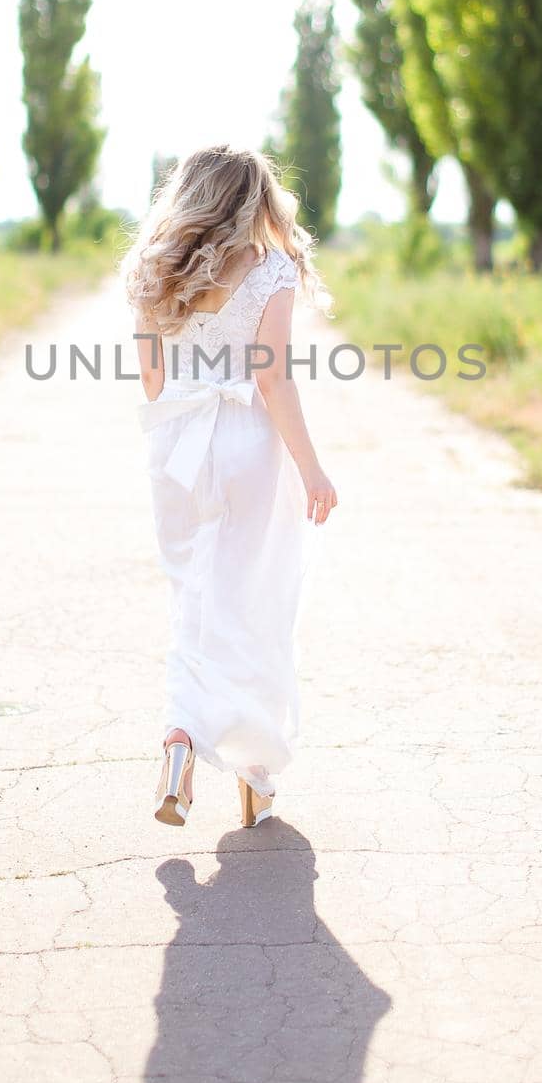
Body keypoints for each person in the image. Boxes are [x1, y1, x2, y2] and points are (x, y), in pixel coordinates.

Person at [122, 144, 338, 830]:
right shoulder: (272, 265)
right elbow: (271, 377)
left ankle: (181, 740)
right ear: (253, 198)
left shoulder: (151, 266)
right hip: (245, 442)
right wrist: (311, 468)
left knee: (194, 592)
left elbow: (151, 381)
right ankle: (254, 771)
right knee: (255, 595)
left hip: (175, 442)